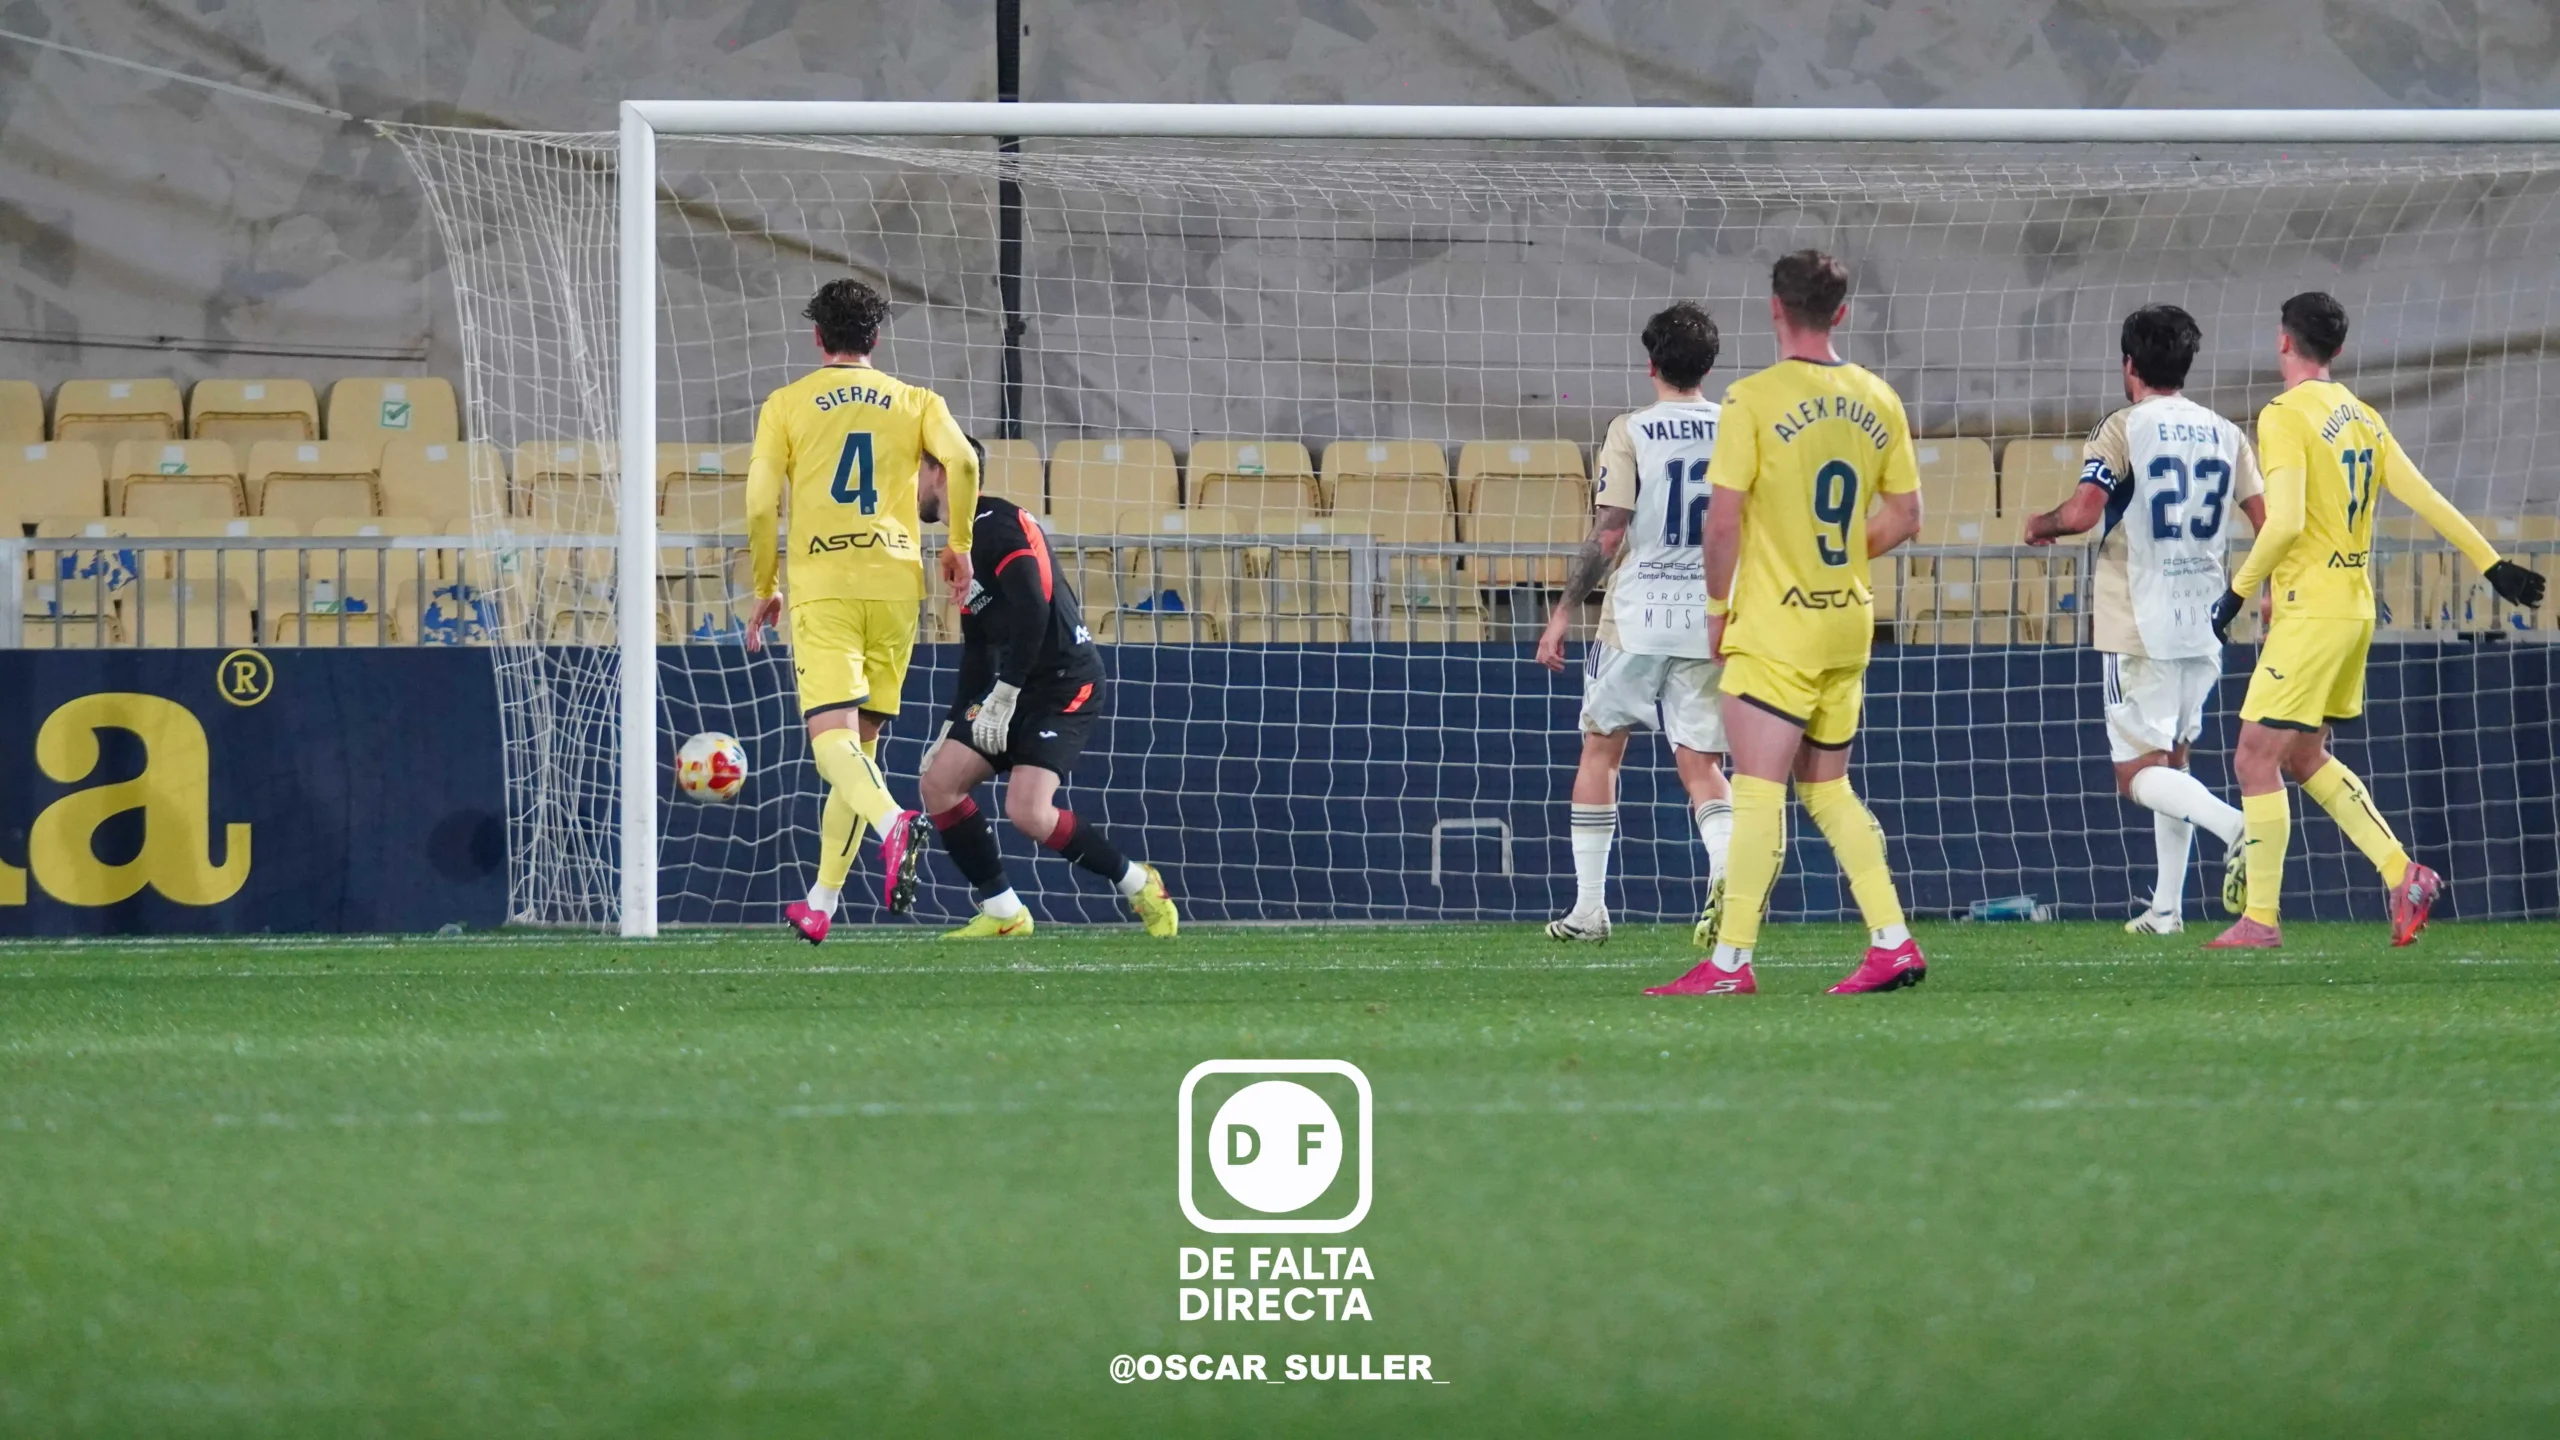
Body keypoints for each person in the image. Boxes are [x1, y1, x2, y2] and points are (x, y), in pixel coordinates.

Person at [2205, 292, 2545, 948]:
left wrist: (2236, 593)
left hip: (2313, 610)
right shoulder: (2361, 416)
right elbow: (2425, 495)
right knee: (2303, 755)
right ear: (2335, 348)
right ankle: (2403, 871)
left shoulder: (2283, 416)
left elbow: (2288, 524)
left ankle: (2261, 919)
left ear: (2284, 341)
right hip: (2355, 606)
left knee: (2253, 756)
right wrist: (2491, 562)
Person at [1644, 250, 1926, 997]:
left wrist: (1715, 609)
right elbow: (1906, 517)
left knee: (1759, 791)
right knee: (1828, 789)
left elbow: (1723, 524)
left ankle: (1730, 962)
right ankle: (1892, 941)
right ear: (1841, 312)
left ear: (1774, 309)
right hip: (1847, 625)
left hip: (1778, 626)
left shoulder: (1751, 400)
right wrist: (1835, 563)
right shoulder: (1880, 397)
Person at [743, 277, 979, 945]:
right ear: (875, 338)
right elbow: (961, 461)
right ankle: (822, 901)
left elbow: (761, 503)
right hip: (897, 585)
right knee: (860, 748)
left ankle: (892, 823)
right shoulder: (914, 401)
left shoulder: (787, 405)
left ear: (818, 338)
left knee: (829, 748)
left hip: (826, 583)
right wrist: (957, 545)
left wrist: (766, 582)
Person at [2022, 304, 2267, 933]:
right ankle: (2166, 909)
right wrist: (2262, 590)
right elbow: (2268, 525)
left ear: (2129, 364)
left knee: (2136, 774)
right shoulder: (2226, 431)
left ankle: (2236, 827)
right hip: (2207, 619)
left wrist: (2040, 525)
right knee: (2174, 763)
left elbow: (2081, 513)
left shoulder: (2123, 427)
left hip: (2140, 619)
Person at [914, 447, 1179, 939]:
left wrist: (1006, 693)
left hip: (1063, 683)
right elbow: (978, 647)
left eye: (914, 469)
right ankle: (1004, 911)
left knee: (1029, 813)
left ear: (940, 473)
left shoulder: (999, 524)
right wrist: (953, 723)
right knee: (938, 782)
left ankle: (1140, 883)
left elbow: (1035, 608)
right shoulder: (962, 541)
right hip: (1012, 683)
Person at [1534, 302, 1733, 946]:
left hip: (1637, 616)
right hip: (1711, 617)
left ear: (1651, 366)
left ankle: (1589, 910)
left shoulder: (1631, 430)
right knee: (1702, 760)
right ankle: (1731, 884)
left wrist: (1563, 610)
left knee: (1600, 749)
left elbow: (1610, 531)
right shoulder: (1738, 428)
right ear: (1710, 365)